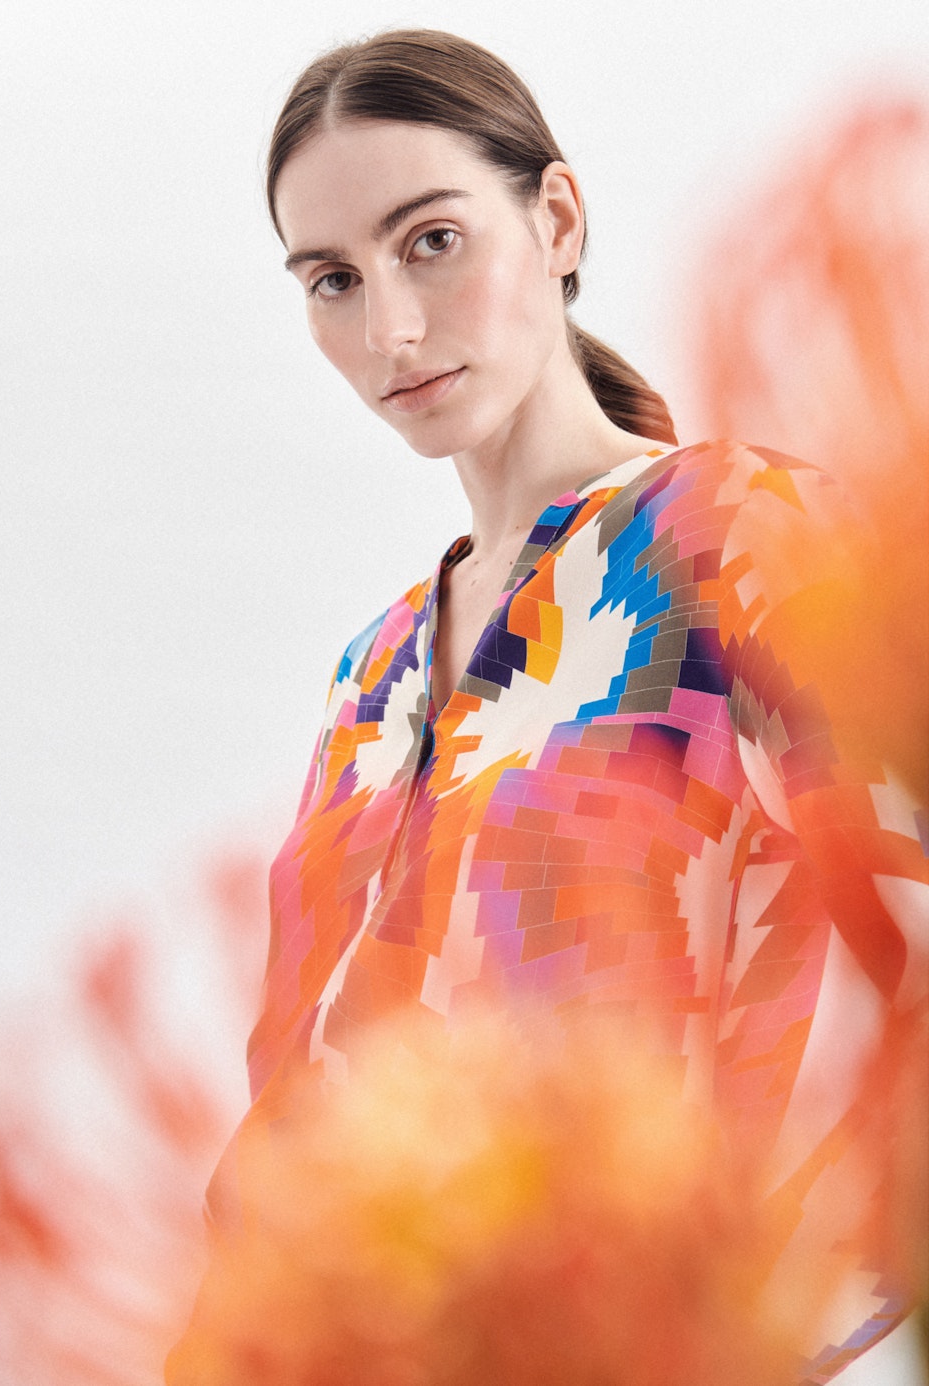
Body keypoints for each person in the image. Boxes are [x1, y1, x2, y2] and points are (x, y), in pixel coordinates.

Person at [167, 30, 927, 1384]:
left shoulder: (738, 541)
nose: (389, 330)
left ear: (557, 219)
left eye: (432, 242)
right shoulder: (369, 682)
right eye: (332, 279)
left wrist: (728, 1334)